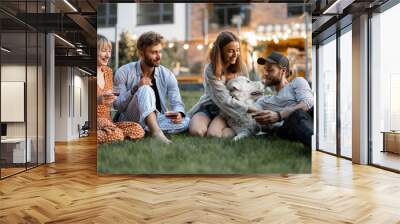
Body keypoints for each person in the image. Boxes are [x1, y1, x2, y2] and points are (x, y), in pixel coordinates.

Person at [113, 31, 189, 144]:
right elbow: (118, 106)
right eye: (154, 52)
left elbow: (177, 102)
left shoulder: (167, 75)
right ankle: (157, 133)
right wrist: (136, 88)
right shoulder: (124, 72)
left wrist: (179, 113)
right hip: (129, 118)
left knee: (187, 121)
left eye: (160, 52)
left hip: (156, 118)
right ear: (141, 53)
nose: (158, 57)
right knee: (145, 89)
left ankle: (147, 129)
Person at [188, 31, 258, 138]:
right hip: (209, 107)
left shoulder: (242, 67)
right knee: (197, 132)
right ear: (220, 51)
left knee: (213, 134)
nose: (235, 54)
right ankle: (212, 124)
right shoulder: (210, 69)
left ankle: (231, 129)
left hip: (229, 112)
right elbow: (224, 100)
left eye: (237, 50)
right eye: (230, 51)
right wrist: (252, 109)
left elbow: (245, 93)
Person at [253, 51, 314, 148]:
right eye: (264, 69)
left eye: (270, 70)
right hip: (287, 130)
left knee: (314, 109)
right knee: (296, 114)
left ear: (283, 71)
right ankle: (320, 147)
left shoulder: (297, 82)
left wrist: (279, 115)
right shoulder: (264, 100)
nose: (265, 73)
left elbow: (308, 103)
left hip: (309, 120)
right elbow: (251, 115)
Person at [97, 35, 144, 144]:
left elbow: (113, 101)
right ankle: (90, 135)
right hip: (92, 119)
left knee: (137, 129)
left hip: (108, 121)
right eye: (104, 51)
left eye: (109, 51)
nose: (108, 55)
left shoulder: (108, 72)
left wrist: (113, 99)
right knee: (117, 134)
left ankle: (112, 133)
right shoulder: (86, 73)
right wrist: (98, 100)